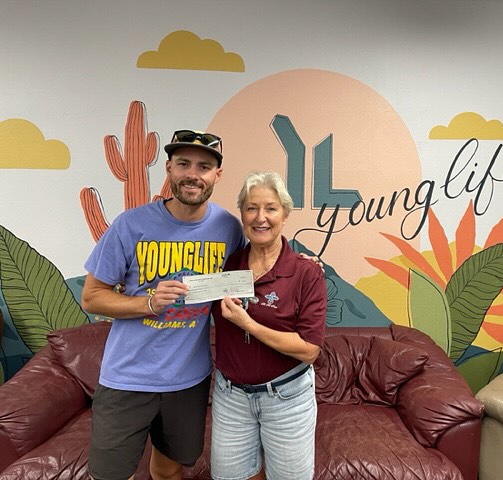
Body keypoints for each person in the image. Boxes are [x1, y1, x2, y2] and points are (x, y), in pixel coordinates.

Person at [81, 129, 246, 480]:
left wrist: (299, 263)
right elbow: (92, 296)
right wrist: (149, 304)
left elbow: (253, 271)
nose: (193, 174)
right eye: (183, 163)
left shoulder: (228, 227)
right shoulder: (131, 225)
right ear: (168, 168)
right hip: (127, 377)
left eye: (204, 166)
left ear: (217, 175)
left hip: (188, 380)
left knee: (170, 470)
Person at [210, 171, 327, 480]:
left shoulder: (306, 273)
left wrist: (247, 323)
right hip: (231, 397)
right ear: (242, 214)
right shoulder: (227, 266)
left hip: (287, 397)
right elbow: (189, 297)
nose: (260, 217)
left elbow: (310, 350)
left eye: (270, 208)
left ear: (285, 214)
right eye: (251, 208)